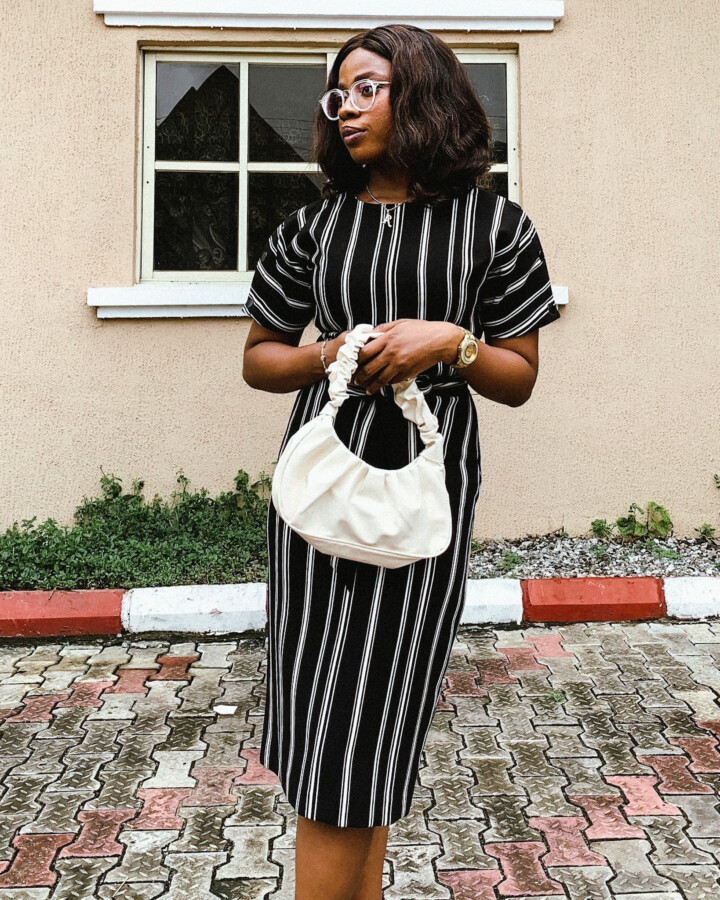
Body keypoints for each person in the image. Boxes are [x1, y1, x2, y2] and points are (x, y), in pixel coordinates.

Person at [242, 23, 561, 899]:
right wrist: (332, 353)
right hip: (321, 490)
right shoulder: (314, 226)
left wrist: (451, 342)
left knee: (373, 718)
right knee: (322, 713)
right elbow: (260, 355)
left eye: (368, 86)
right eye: (337, 92)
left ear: (421, 93)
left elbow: (519, 377)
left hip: (426, 495)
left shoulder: (495, 228)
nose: (345, 106)